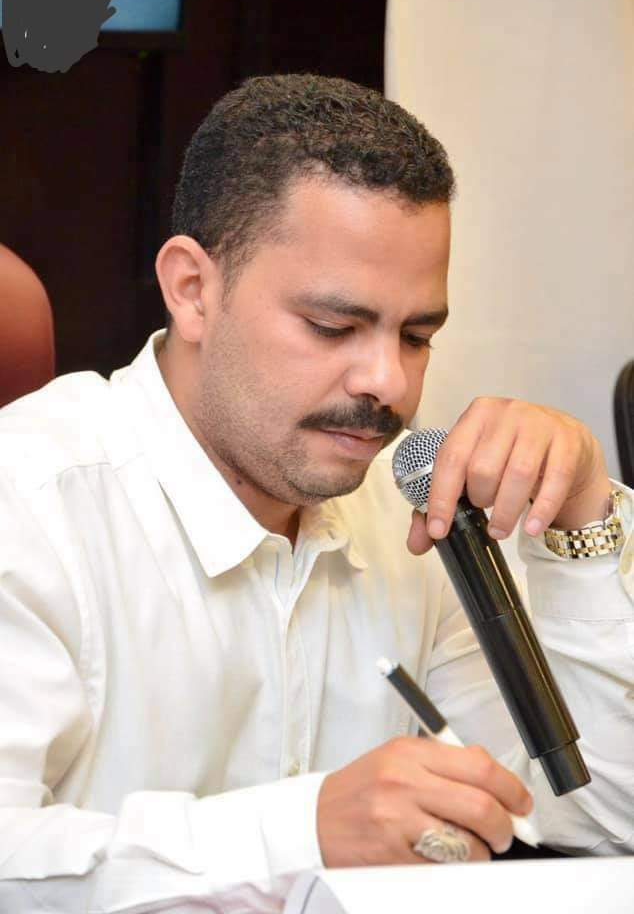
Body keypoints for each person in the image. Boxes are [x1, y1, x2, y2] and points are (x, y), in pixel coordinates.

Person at [0, 74, 632, 913]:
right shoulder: (29, 505)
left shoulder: (412, 514)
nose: (388, 382)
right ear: (193, 290)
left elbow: (599, 820)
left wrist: (580, 524)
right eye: (334, 327)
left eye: (418, 336)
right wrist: (302, 833)